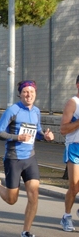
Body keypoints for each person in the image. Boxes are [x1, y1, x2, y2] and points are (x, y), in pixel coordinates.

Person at [0, 80, 54, 237]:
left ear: (35, 94)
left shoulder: (36, 111)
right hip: (13, 158)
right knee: (12, 199)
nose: (29, 94)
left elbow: (36, 132)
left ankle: (26, 231)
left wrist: (44, 136)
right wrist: (17, 137)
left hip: (30, 158)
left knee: (34, 194)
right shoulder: (13, 110)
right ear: (20, 94)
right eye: (25, 92)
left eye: (31, 91)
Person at [60, 75, 79, 232]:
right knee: (74, 187)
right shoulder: (72, 103)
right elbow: (63, 129)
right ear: (78, 85)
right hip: (75, 147)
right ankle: (66, 217)